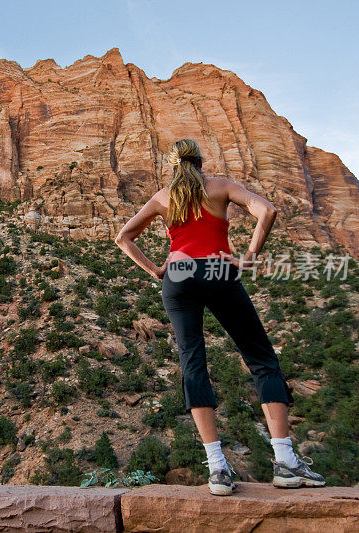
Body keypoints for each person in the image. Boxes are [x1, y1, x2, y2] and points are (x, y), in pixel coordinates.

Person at [113, 139, 325, 496]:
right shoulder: (222, 185)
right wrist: (250, 257)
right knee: (260, 359)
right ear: (200, 160)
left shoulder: (163, 197)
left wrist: (155, 270)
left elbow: (124, 237)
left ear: (173, 164)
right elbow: (267, 211)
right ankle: (286, 462)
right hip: (217, 268)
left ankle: (217, 469)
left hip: (177, 275)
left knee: (193, 364)